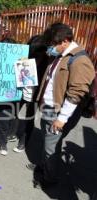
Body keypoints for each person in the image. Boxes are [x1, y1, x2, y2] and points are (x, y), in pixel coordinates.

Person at [33, 23, 95, 187]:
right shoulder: (61, 54)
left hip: (59, 112)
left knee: (51, 147)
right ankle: (43, 167)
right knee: (47, 141)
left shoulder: (80, 60)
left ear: (65, 41)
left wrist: (61, 119)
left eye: (53, 44)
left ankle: (49, 178)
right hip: (48, 108)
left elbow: (76, 93)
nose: (51, 47)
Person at [13, 35, 51, 153]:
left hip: (35, 94)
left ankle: (23, 141)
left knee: (29, 117)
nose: (37, 55)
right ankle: (12, 133)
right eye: (35, 52)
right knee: (14, 111)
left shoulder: (48, 61)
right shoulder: (26, 56)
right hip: (21, 90)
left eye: (40, 53)